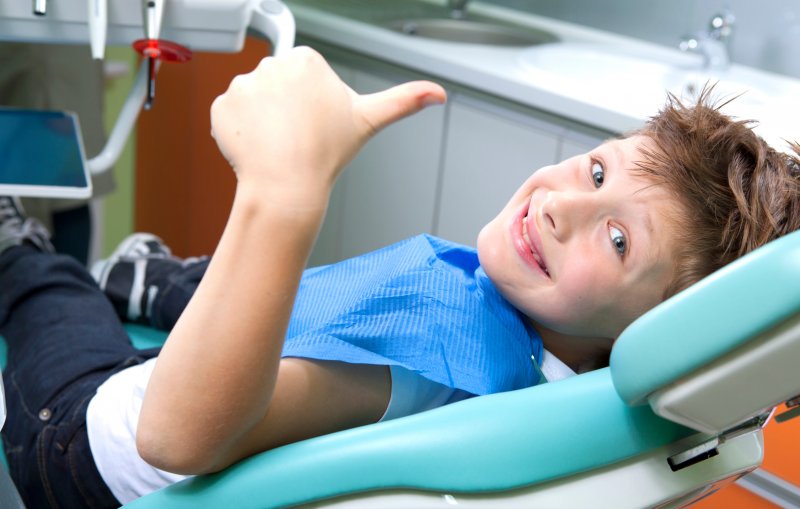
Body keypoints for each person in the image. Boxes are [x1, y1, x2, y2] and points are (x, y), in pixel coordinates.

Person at [1, 47, 798, 508]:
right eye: (596, 169)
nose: (562, 205)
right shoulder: (559, 366)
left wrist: (283, 192)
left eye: (619, 238)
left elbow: (174, 435)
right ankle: (164, 285)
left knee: (58, 289)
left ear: (647, 327)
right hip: (224, 376)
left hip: (84, 442)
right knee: (294, 284)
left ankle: (22, 251)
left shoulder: (418, 367)